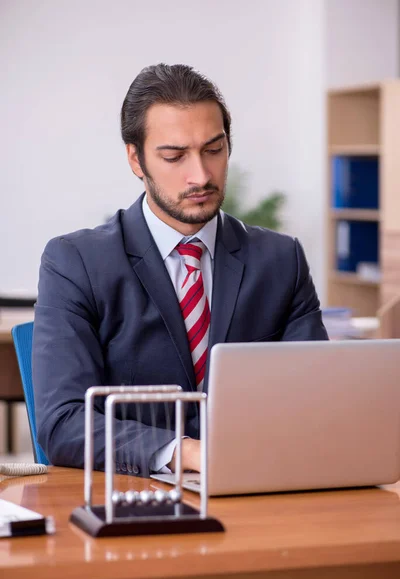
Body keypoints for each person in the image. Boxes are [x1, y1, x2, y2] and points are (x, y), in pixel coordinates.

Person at [32, 64, 328, 477]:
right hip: (130, 499)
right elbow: (62, 421)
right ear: (136, 159)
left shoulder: (281, 261)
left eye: (213, 150)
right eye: (174, 156)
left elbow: (318, 400)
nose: (201, 175)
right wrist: (184, 453)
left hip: (258, 488)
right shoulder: (76, 262)